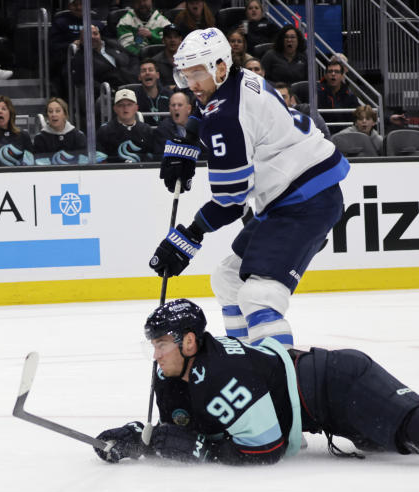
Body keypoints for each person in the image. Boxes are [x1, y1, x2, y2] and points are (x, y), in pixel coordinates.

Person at [152, 28, 349, 346]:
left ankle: (279, 385)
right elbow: (204, 107)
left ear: (218, 67)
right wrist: (187, 141)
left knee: (259, 295)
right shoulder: (234, 77)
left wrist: (187, 238)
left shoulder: (227, 116)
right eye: (185, 75)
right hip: (291, 194)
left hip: (306, 200)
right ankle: (247, 363)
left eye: (197, 74)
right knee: (228, 279)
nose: (191, 85)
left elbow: (231, 203)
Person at [94, 299, 419, 465]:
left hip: (344, 384)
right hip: (330, 409)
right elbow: (184, 432)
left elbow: (266, 449)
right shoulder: (175, 372)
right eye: (153, 345)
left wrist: (207, 452)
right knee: (397, 443)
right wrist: (143, 439)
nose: (156, 356)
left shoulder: (222, 373)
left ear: (189, 342)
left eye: (162, 344)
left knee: (411, 428)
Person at [97, 88, 158, 163]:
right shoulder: (105, 131)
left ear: (136, 108)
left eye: (129, 104)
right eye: (121, 105)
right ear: (115, 108)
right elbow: (100, 161)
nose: (125, 108)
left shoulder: (146, 130)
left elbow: (153, 158)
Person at [70, 24, 136, 93]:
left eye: (95, 34)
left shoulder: (113, 44)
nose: (92, 37)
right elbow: (86, 81)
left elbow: (133, 58)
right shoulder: (80, 58)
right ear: (81, 40)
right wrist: (109, 91)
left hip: (133, 82)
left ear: (100, 35)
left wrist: (135, 72)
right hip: (112, 92)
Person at [32, 97, 92, 166]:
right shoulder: (40, 138)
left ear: (65, 114)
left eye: (57, 111)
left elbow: (84, 162)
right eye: (50, 111)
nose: (54, 115)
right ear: (47, 116)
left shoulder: (78, 136)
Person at [135, 59, 171, 127]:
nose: (147, 73)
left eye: (151, 70)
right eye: (143, 71)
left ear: (157, 75)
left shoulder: (169, 95)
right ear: (139, 77)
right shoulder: (134, 98)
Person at [152, 24, 183, 88]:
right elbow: (155, 86)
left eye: (176, 37)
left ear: (180, 40)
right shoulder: (155, 62)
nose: (172, 40)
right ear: (163, 40)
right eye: (169, 37)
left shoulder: (188, 59)